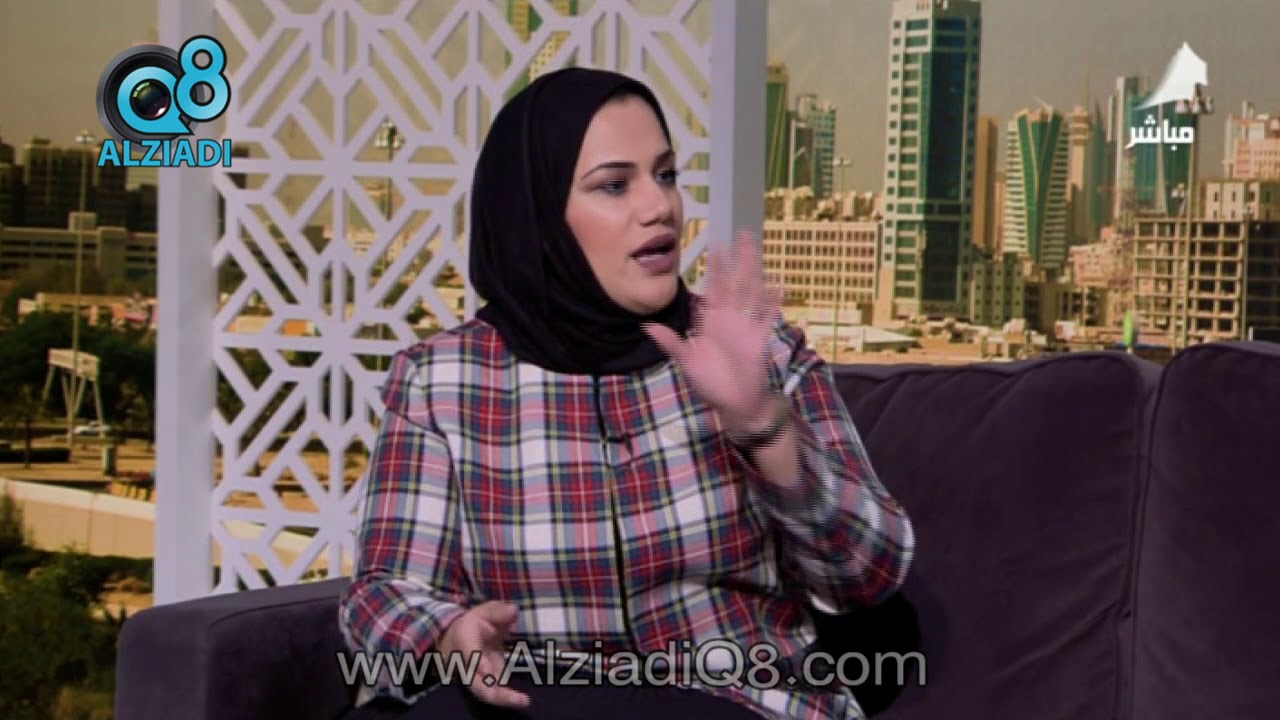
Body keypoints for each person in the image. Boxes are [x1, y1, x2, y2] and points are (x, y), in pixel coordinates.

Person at [337, 67, 915, 720]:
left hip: (732, 700)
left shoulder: (757, 349)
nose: (659, 206)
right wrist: (447, 634)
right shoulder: (443, 380)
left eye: (665, 175)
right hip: (534, 702)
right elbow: (384, 593)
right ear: (538, 214)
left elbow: (871, 576)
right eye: (615, 185)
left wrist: (767, 431)